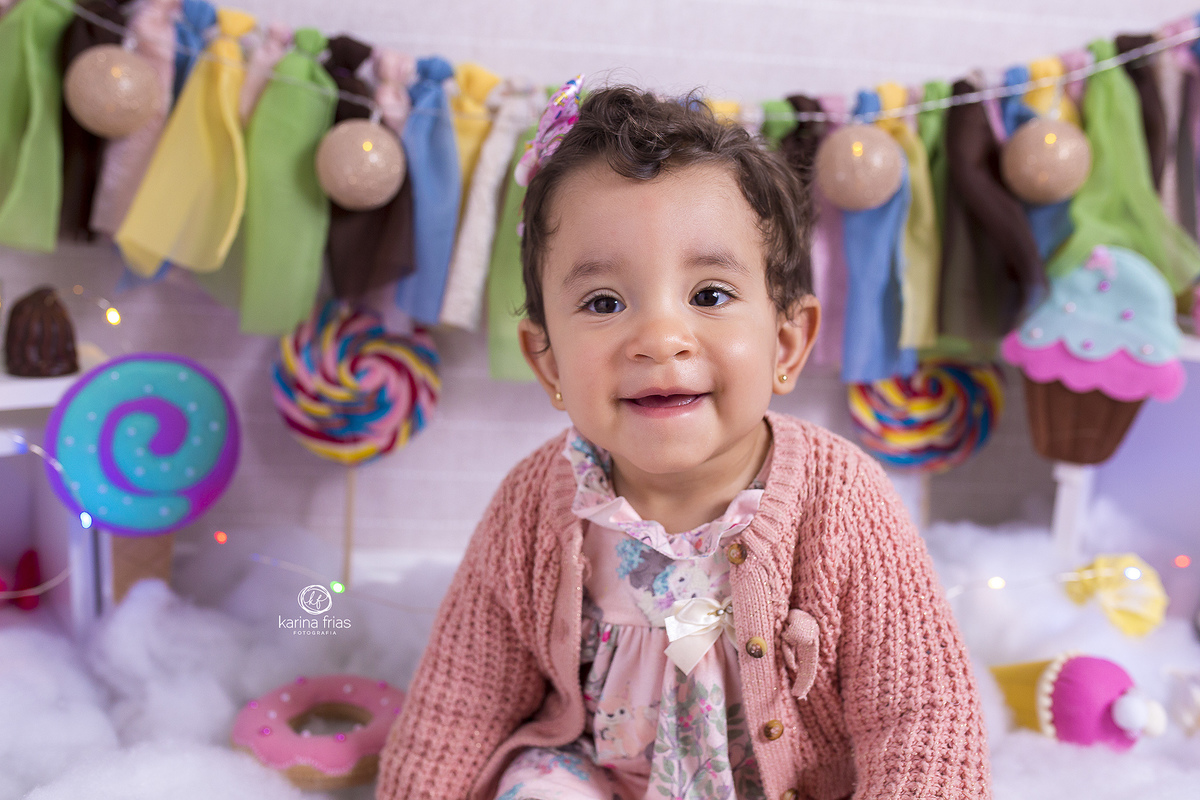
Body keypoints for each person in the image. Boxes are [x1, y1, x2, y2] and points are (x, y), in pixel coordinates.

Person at [376, 80, 990, 800]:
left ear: (787, 344)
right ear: (547, 361)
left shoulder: (840, 500)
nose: (661, 338)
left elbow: (920, 717)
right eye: (604, 302)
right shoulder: (538, 502)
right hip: (599, 773)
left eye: (709, 295)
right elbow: (463, 702)